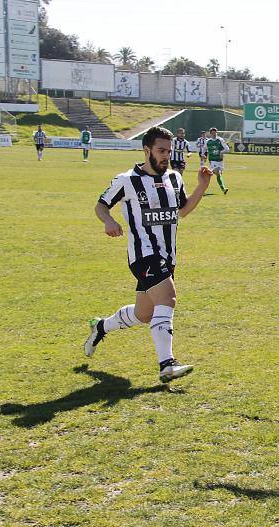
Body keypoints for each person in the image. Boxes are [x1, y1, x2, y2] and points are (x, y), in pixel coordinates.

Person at [84, 126, 213, 383]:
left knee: (144, 314)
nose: (166, 155)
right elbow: (101, 206)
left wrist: (202, 186)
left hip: (168, 256)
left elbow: (182, 211)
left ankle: (100, 327)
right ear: (147, 150)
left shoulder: (174, 178)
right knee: (168, 297)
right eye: (161, 150)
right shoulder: (126, 180)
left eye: (169, 150)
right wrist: (108, 221)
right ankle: (167, 363)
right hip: (143, 254)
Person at [206, 127, 229, 194]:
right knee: (218, 172)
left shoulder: (220, 140)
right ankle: (224, 189)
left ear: (217, 133)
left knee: (219, 175)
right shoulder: (208, 141)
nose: (214, 134)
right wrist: (203, 155)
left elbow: (227, 149)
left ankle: (208, 173)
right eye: (212, 133)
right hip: (212, 160)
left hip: (220, 160)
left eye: (215, 133)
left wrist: (222, 152)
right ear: (210, 134)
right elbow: (204, 149)